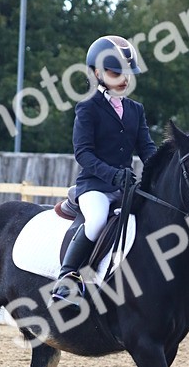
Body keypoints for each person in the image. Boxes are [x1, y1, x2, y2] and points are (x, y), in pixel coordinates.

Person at [50, 35, 158, 301]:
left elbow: (147, 149)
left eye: (127, 74)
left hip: (126, 187)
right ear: (98, 73)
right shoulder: (87, 108)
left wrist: (159, 171)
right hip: (95, 185)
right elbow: (83, 154)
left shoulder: (136, 109)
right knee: (97, 220)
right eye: (115, 72)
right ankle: (68, 276)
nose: (123, 79)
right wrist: (113, 175)